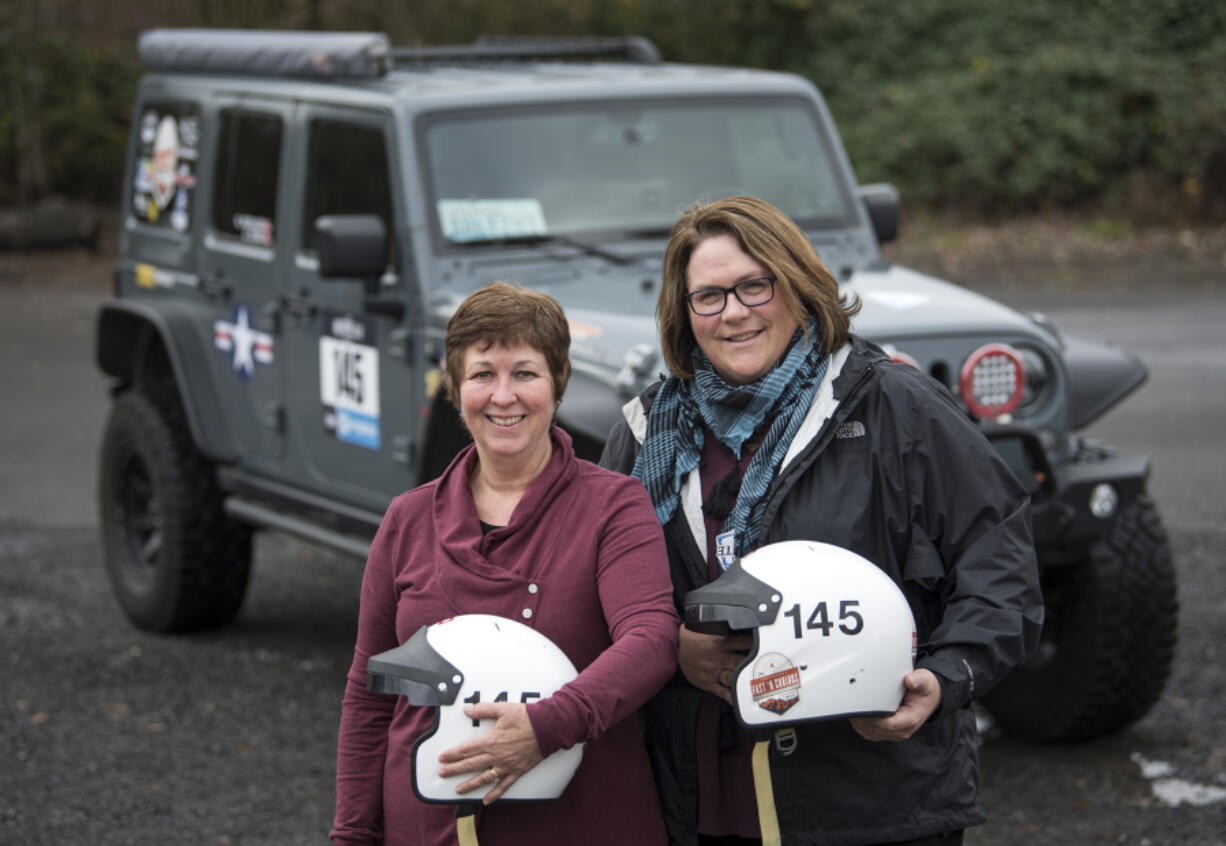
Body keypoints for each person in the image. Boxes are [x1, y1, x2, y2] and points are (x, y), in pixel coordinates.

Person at [600, 196, 1043, 846]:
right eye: (709, 296)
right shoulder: (646, 433)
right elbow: (599, 596)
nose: (734, 312)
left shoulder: (895, 405)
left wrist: (946, 679)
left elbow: (1000, 568)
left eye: (755, 285)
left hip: (871, 803)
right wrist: (670, 649)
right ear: (683, 311)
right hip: (702, 804)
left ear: (798, 284)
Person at [332, 282, 679, 846]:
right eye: (482, 374)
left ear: (557, 384)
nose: (503, 395)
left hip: (581, 825)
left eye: (525, 373)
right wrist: (352, 834)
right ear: (456, 387)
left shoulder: (613, 505)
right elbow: (369, 693)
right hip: (427, 829)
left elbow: (651, 638)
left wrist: (546, 728)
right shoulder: (407, 518)